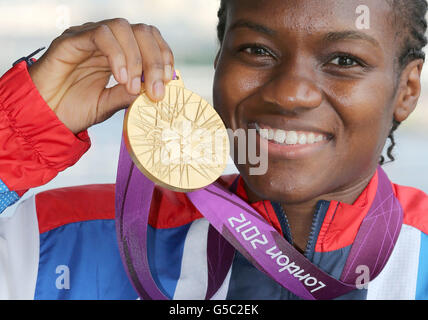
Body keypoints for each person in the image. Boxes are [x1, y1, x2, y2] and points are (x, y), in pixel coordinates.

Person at [0, 0, 427, 300]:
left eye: (345, 61)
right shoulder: (60, 239)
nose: (290, 94)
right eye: (257, 50)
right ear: (220, 60)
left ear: (406, 90)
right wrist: (19, 131)